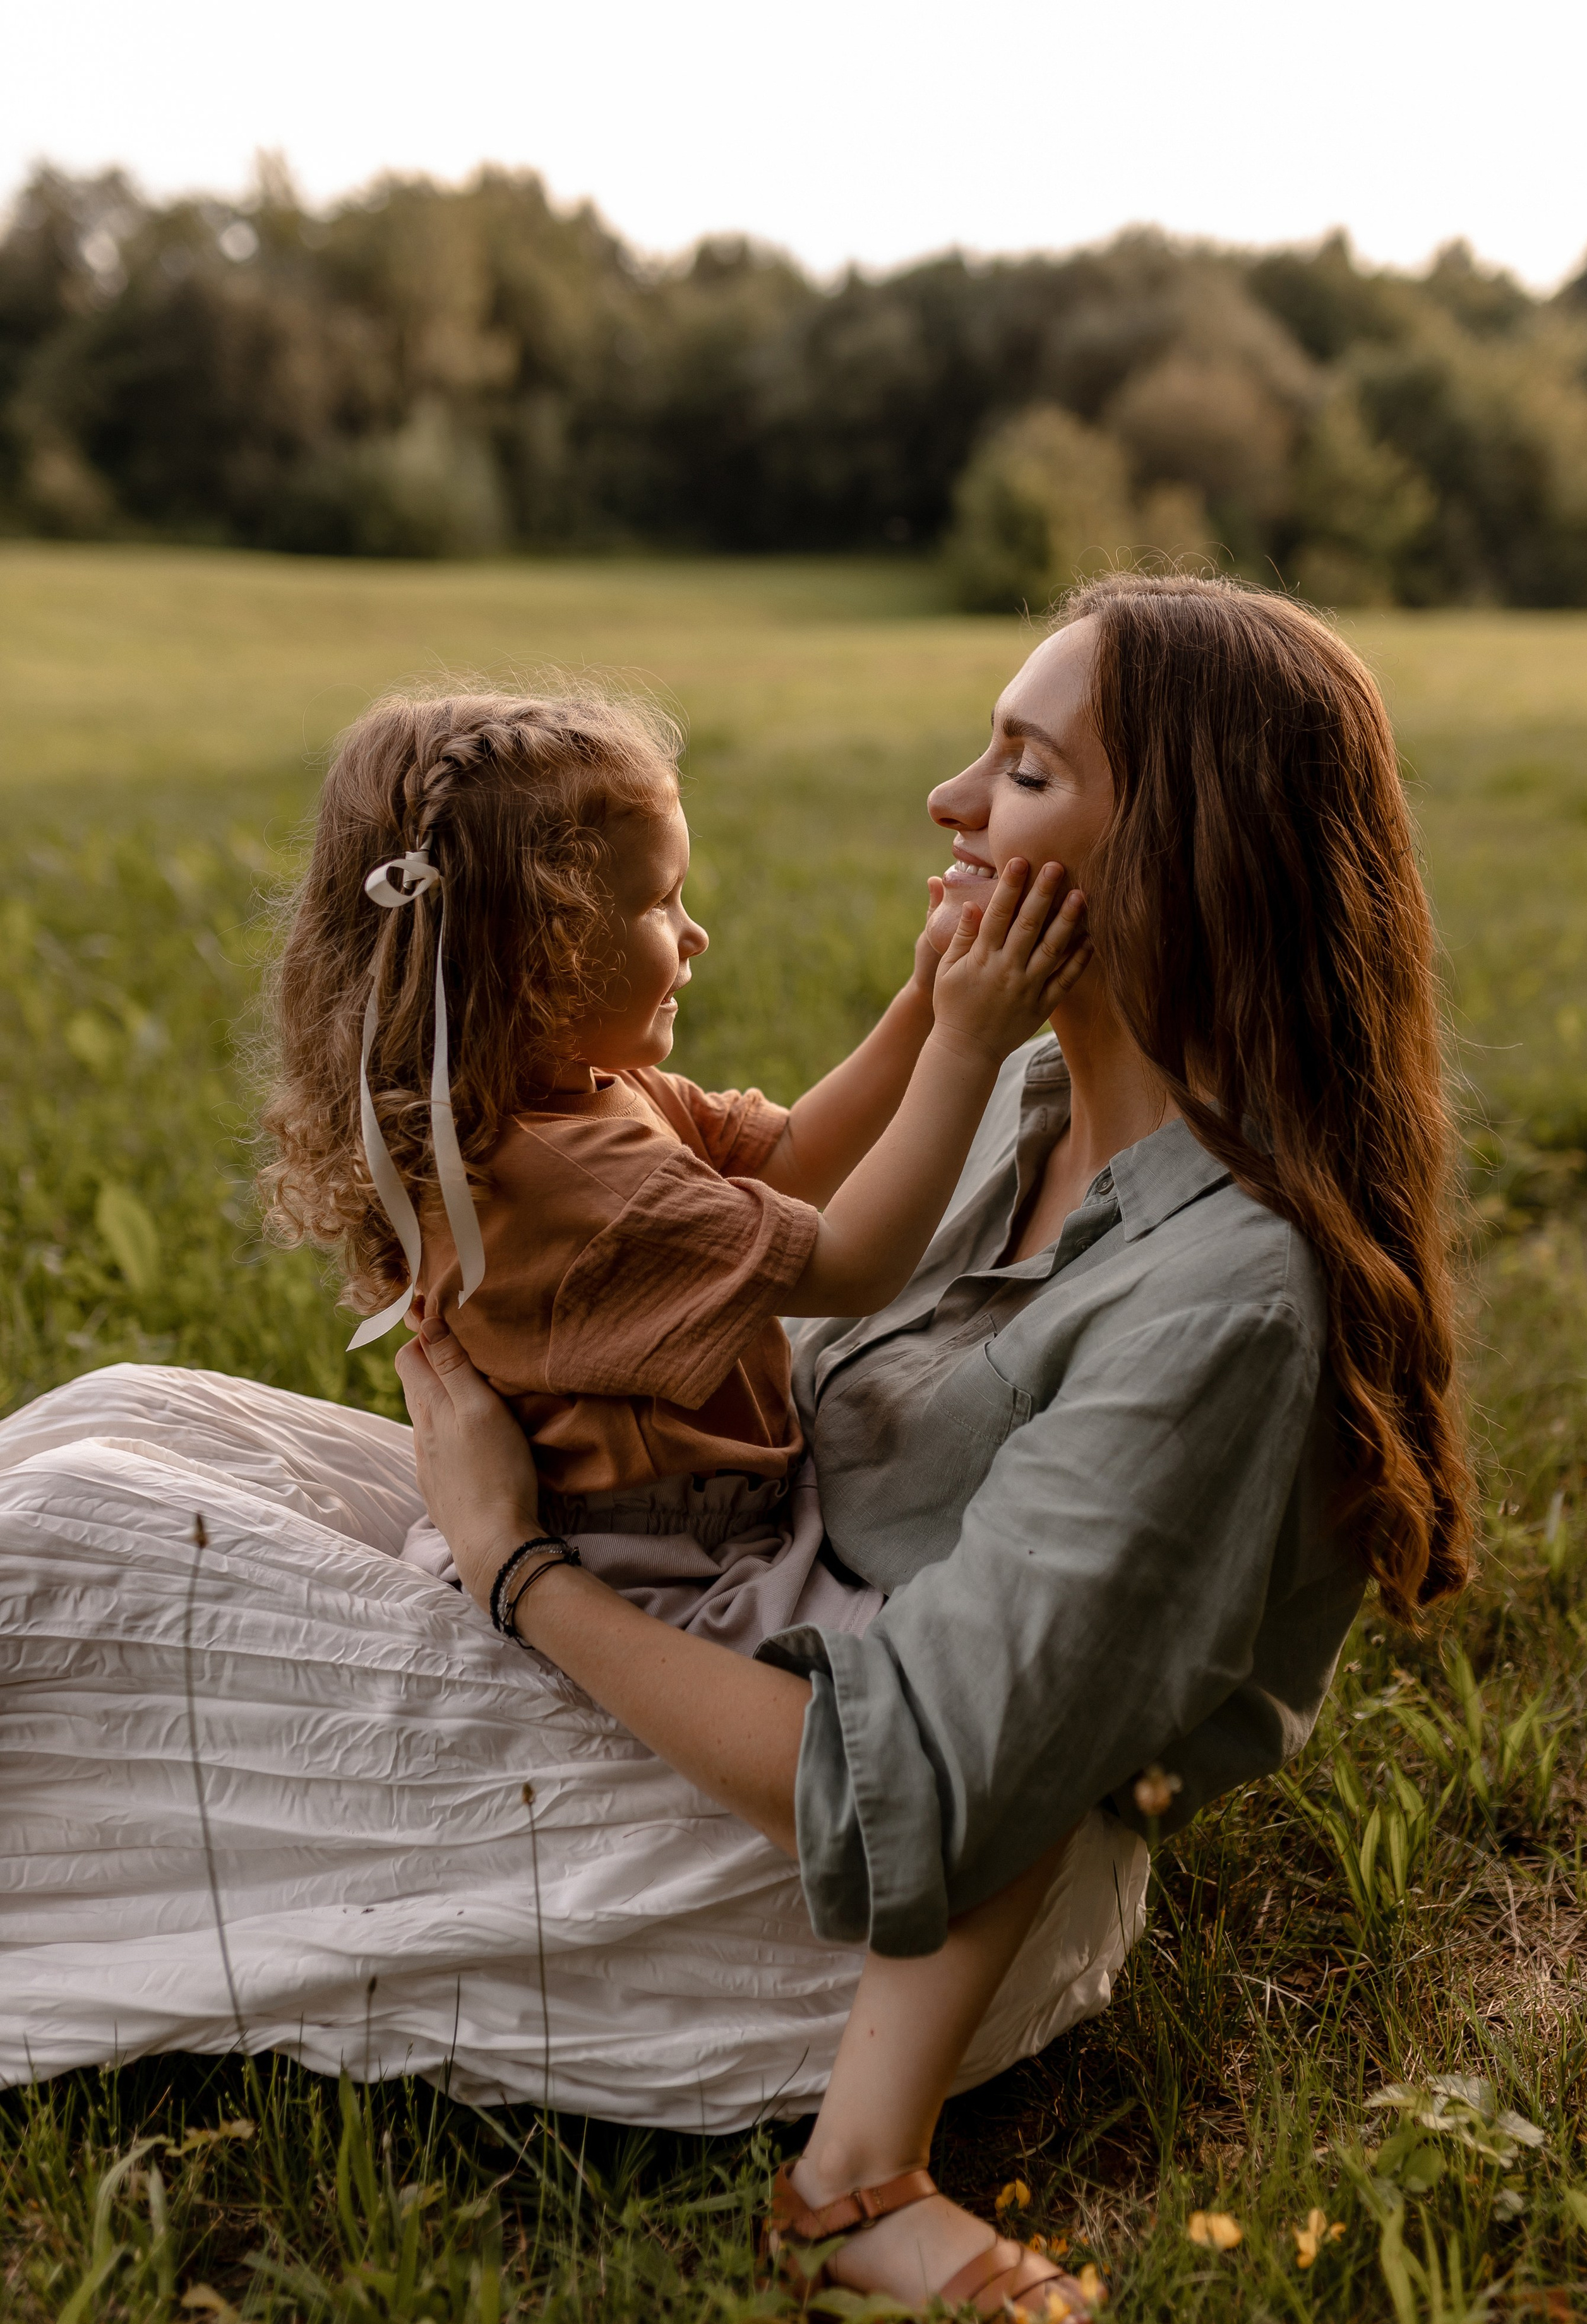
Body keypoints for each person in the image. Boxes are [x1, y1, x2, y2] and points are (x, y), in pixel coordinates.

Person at [0, 573, 1471, 2324]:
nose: (949, 801)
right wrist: (942, 1031)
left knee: (67, 1544)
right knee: (117, 1434)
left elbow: (928, 1776)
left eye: (1018, 768)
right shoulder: (1029, 1103)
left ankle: (854, 2181)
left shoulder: (1222, 1299)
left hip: (826, 1883)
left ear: (1183, 846)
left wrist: (510, 1563)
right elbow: (796, 1202)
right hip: (729, 1602)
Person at [258, 688, 1086, 1656]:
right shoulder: (583, 1178)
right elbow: (856, 1262)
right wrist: (966, 1042)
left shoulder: (564, 1095)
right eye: (658, 902)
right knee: (923, 1667)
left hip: (694, 1517)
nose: (694, 935)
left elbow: (787, 1160)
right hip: (654, 1568)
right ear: (537, 952)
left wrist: (919, 996)